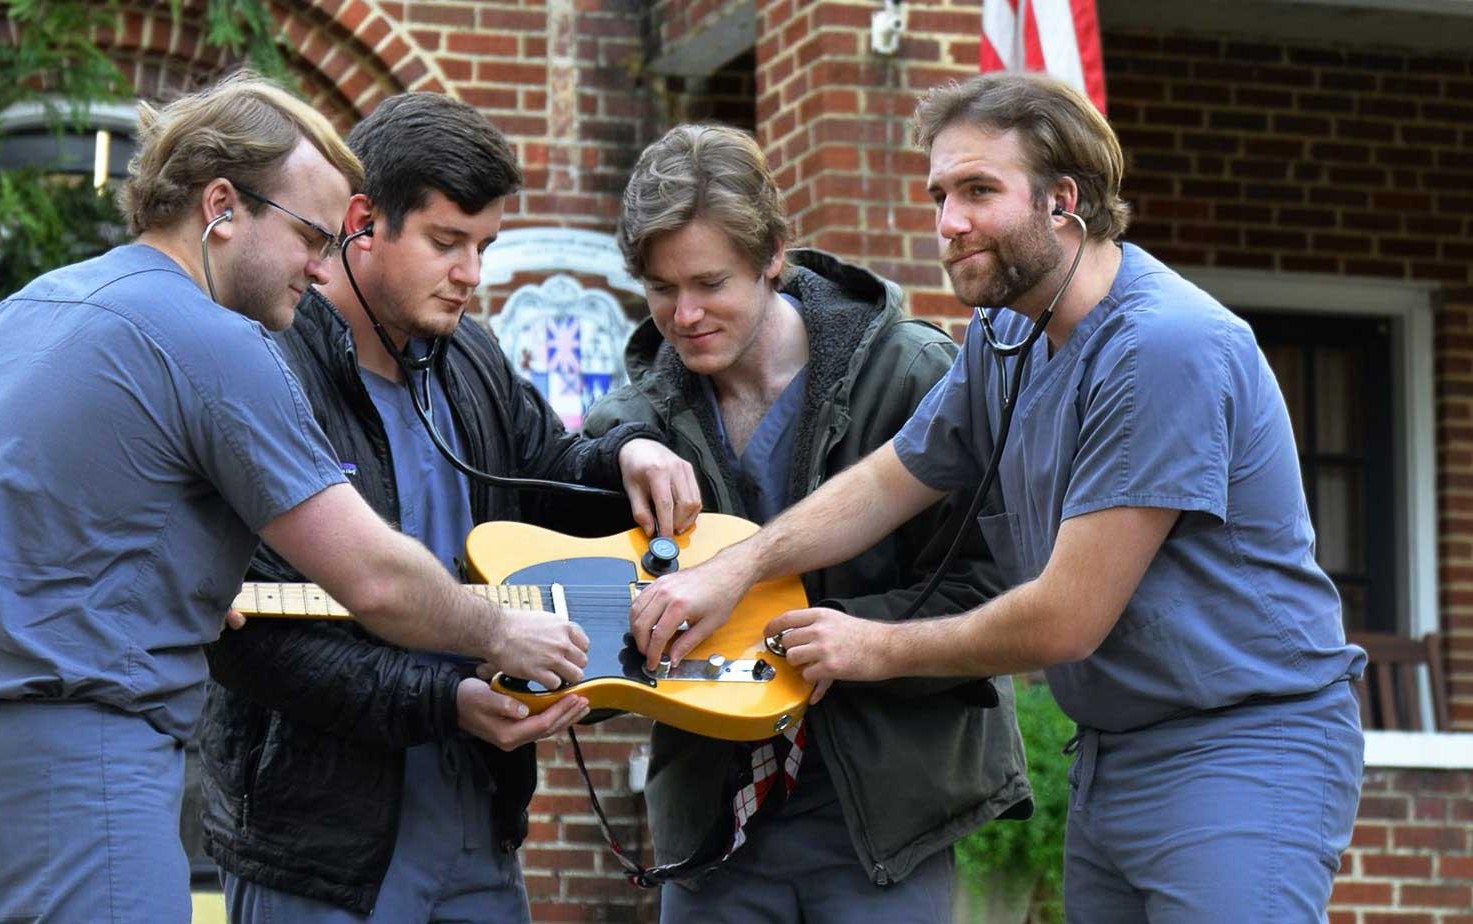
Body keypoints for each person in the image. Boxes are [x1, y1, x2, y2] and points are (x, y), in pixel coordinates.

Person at [630, 73, 1367, 923]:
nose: (949, 222)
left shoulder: (1164, 347)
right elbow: (884, 482)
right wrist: (738, 566)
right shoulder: (1005, 336)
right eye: (940, 193)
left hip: (1240, 748)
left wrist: (875, 646)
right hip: (1113, 751)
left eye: (979, 190)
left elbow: (1066, 618)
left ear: (1064, 200)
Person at [0, 73, 591, 923]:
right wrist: (502, 630)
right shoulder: (220, 342)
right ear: (223, 206)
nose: (321, 261)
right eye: (310, 231)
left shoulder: (14, 314)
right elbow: (372, 578)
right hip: (83, 780)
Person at [197, 92, 700, 923]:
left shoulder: (472, 352)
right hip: (321, 852)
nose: (472, 273)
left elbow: (550, 480)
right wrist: (445, 700)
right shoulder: (266, 364)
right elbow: (253, 640)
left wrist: (629, 452)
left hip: (478, 827)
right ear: (362, 222)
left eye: (485, 245)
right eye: (445, 242)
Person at [580, 124, 1027, 923]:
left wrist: (853, 637)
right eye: (659, 290)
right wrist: (622, 447)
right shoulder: (637, 415)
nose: (683, 316)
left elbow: (996, 588)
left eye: (710, 283)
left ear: (774, 254)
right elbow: (583, 552)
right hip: (714, 833)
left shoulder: (917, 378)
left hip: (885, 823)